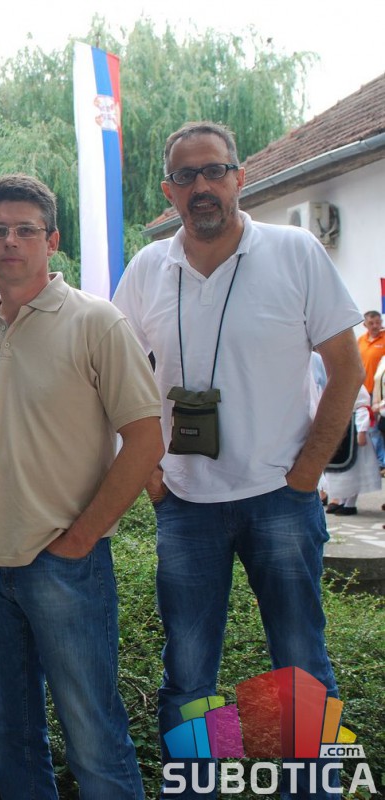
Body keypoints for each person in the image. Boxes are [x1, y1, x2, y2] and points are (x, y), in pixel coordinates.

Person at [112, 121, 362, 799]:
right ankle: (197, 789)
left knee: (300, 667)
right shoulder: (147, 269)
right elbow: (115, 375)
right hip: (186, 505)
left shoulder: (293, 252)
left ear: (238, 177)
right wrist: (151, 473)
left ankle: (307, 792)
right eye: (185, 176)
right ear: (168, 190)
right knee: (189, 676)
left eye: (214, 171)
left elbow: (345, 369)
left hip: (279, 498)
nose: (201, 186)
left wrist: (307, 472)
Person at [0, 175, 163, 799]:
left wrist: (81, 539)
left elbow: (146, 441)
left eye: (25, 230)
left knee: (93, 738)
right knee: (8, 738)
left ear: (52, 241)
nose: (11, 241)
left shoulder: (97, 322)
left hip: (63, 564)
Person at [322, 386, 378, 515]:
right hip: (342, 434)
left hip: (353, 436)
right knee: (341, 473)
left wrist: (361, 431)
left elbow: (362, 409)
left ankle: (350, 504)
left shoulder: (356, 387)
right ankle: (341, 500)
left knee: (354, 472)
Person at [358, 311, 385, 468]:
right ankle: (381, 462)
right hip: (366, 391)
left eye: (378, 322)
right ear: (365, 324)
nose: (375, 326)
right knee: (371, 428)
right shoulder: (360, 341)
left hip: (382, 393)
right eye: (371, 323)